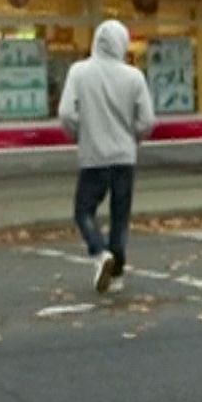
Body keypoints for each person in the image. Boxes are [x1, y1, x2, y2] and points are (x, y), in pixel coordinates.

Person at [59, 19, 156, 294]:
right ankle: (117, 274)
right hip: (124, 157)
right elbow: (147, 120)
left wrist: (79, 135)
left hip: (93, 156)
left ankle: (99, 251)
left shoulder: (79, 72)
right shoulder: (133, 77)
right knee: (120, 218)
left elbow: (66, 113)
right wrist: (134, 138)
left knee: (83, 211)